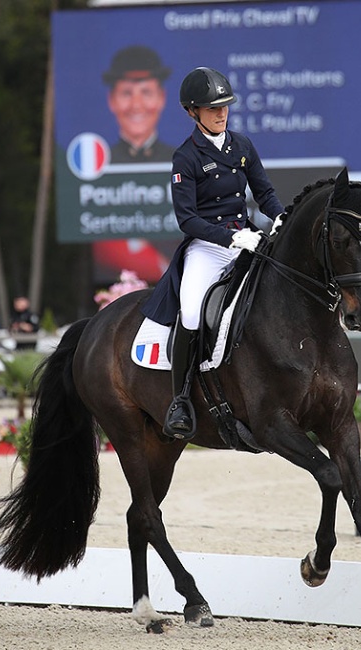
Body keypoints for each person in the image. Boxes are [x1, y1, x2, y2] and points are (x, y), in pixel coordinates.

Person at [142, 67, 284, 441]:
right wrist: (229, 239)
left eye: (224, 106)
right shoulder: (185, 157)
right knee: (191, 312)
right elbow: (187, 220)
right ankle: (181, 401)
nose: (221, 113)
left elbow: (264, 193)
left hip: (248, 241)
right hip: (208, 248)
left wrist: (281, 216)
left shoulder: (242, 146)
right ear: (192, 112)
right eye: (212, 108)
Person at [102, 45, 175, 163]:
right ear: (111, 100)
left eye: (146, 93)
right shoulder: (98, 165)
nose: (136, 105)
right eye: (126, 93)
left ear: (162, 98)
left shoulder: (183, 162)